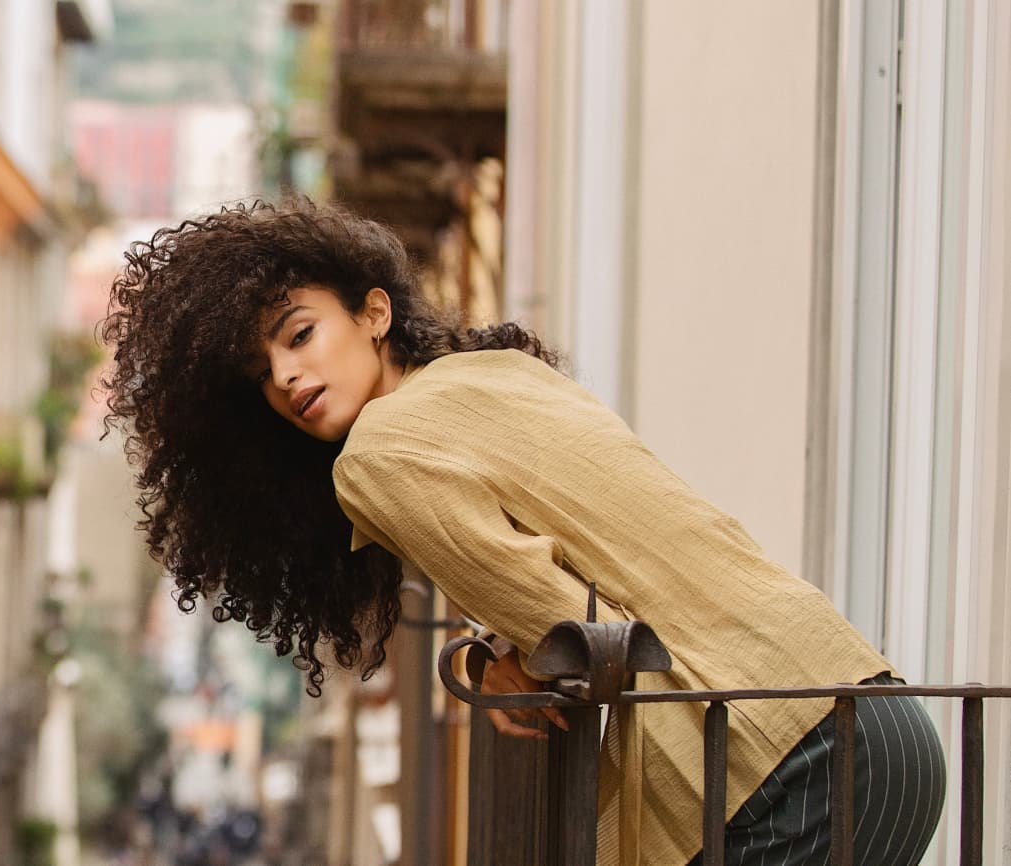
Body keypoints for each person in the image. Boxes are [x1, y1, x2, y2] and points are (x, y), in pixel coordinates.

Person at [98, 198, 946, 865]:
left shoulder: (376, 457)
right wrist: (498, 645)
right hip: (872, 714)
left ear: (373, 312)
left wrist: (519, 662)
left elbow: (577, 631)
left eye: (299, 334)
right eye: (263, 373)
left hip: (772, 770)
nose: (287, 376)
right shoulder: (497, 377)